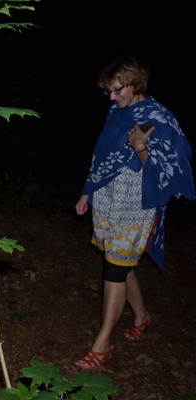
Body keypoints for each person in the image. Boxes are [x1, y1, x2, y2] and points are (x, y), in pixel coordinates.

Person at [73, 55, 195, 370]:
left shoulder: (158, 118)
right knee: (119, 262)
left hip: (137, 202)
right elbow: (102, 152)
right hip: (108, 197)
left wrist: (141, 147)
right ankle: (142, 316)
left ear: (135, 83)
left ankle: (102, 345)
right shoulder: (117, 111)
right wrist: (87, 190)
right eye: (108, 91)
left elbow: (167, 175)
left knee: (115, 268)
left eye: (117, 90)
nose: (112, 98)